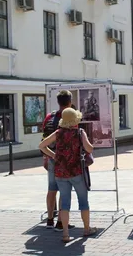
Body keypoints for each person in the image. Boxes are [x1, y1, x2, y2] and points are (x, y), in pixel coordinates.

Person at [39, 108, 98, 243]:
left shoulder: (58, 133)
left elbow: (42, 145)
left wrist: (54, 155)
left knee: (64, 203)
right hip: (77, 172)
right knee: (83, 201)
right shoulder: (79, 132)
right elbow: (89, 148)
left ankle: (65, 234)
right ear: (75, 121)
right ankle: (86, 228)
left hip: (60, 172)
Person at [42, 90, 75, 231]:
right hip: (66, 160)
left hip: (51, 157)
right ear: (70, 102)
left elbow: (44, 138)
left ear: (58, 101)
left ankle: (50, 219)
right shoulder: (71, 117)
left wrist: (46, 156)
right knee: (64, 190)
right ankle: (61, 222)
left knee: (51, 189)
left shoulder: (49, 117)